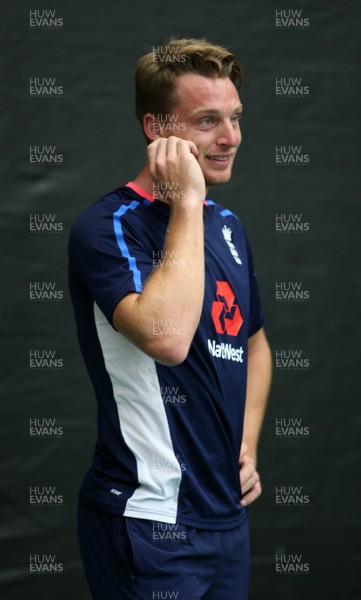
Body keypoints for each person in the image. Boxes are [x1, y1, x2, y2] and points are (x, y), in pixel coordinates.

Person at [68, 37, 272, 600]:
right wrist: (185, 202)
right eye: (207, 121)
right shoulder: (109, 226)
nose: (229, 138)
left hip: (226, 521)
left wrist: (246, 444)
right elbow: (166, 337)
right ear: (157, 129)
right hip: (147, 520)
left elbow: (254, 344)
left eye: (234, 118)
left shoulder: (227, 228)